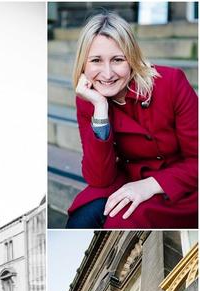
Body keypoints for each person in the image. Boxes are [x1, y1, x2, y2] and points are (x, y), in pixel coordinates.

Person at [66, 11, 198, 229]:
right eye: (96, 61)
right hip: (128, 178)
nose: (107, 74)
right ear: (83, 65)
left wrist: (150, 185)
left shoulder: (171, 83)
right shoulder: (89, 99)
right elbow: (99, 178)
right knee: (83, 216)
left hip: (180, 185)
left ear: (132, 58)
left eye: (118, 60)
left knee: (123, 220)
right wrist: (100, 109)